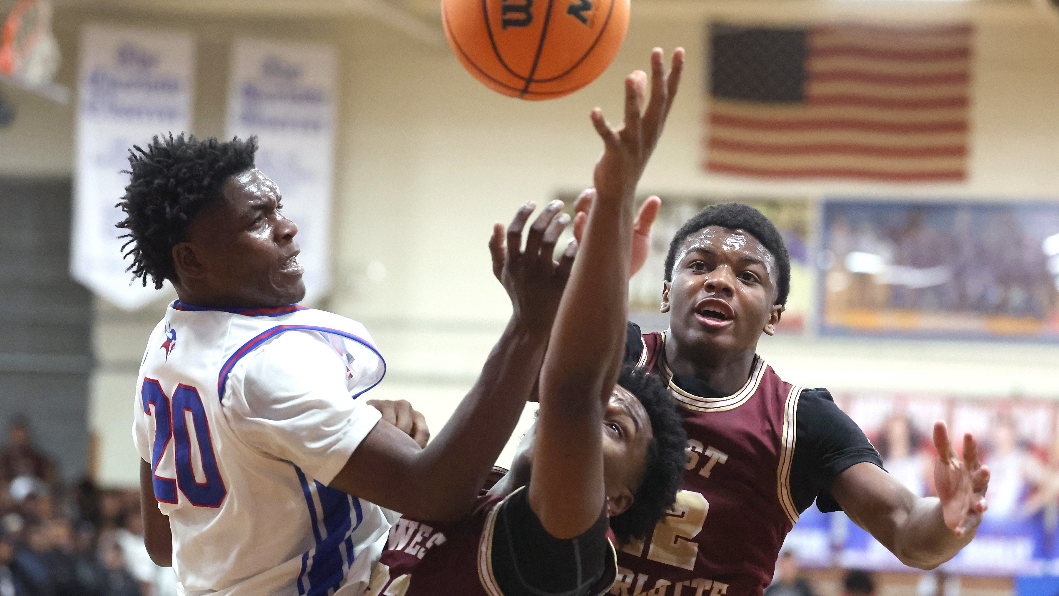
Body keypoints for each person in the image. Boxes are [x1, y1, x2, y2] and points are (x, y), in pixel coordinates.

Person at [119, 132, 579, 595]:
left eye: (278, 207)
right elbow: (437, 494)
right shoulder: (265, 365)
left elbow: (163, 541)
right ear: (191, 259)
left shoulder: (164, 348)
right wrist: (528, 323)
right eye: (257, 220)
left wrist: (345, 427)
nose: (287, 227)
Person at [367, 48, 688, 596]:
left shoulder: (563, 556)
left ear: (614, 501)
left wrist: (617, 193)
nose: (595, 416)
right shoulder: (466, 488)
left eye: (614, 429)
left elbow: (576, 393)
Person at [587, 202, 990, 596]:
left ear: (773, 317)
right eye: (699, 265)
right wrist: (579, 282)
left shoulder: (801, 420)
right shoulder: (615, 355)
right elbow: (537, 379)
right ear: (666, 292)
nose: (720, 281)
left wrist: (947, 520)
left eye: (748, 277)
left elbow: (905, 526)